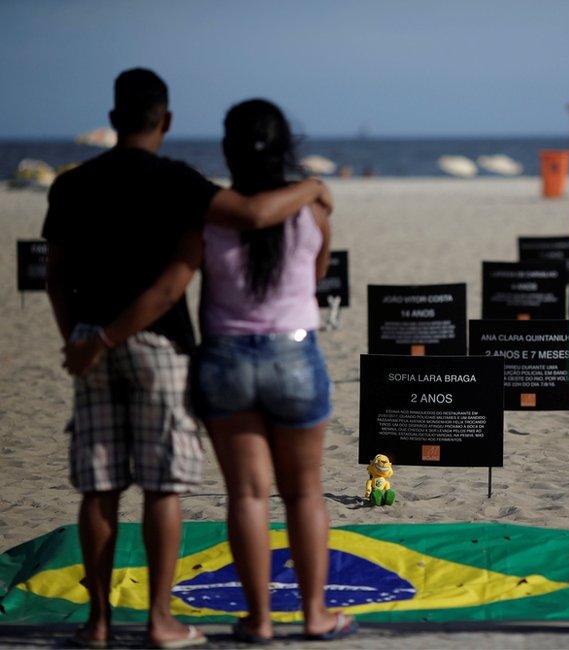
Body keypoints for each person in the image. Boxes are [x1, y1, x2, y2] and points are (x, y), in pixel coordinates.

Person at [45, 69, 332, 649]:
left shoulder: (91, 189)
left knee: (123, 489)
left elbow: (66, 274)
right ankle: (293, 615)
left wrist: (83, 339)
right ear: (166, 120)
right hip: (237, 350)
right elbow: (296, 262)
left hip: (167, 351)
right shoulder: (212, 193)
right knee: (267, 491)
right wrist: (314, 186)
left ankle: (118, 623)